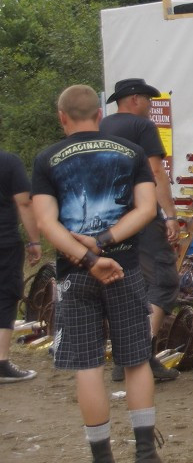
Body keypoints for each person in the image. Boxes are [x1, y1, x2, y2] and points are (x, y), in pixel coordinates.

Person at [31, 85, 161, 463]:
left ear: (62, 117)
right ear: (99, 116)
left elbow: (45, 221)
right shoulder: (132, 152)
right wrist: (104, 241)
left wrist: (86, 257)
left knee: (87, 365)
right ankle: (145, 453)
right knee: (136, 361)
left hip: (75, 274)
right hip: (126, 266)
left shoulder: (47, 158)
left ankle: (102, 456)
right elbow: (146, 209)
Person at [99, 78, 181, 383]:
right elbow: (157, 171)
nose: (150, 104)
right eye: (147, 99)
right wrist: (169, 215)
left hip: (109, 220)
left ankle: (124, 358)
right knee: (163, 279)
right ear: (133, 99)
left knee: (124, 283)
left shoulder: (103, 127)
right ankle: (142, 356)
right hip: (141, 215)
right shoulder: (142, 128)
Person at [0, 145, 42, 383]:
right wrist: (34, 240)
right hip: (3, 242)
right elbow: (24, 203)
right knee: (5, 296)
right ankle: (1, 362)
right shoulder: (8, 162)